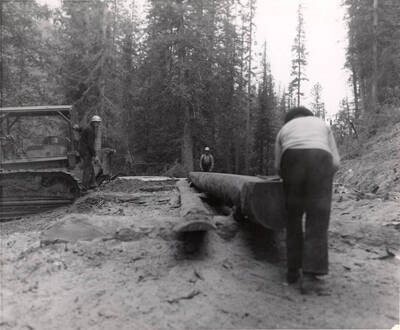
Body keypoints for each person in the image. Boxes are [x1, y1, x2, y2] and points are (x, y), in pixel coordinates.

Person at [274, 106, 340, 294]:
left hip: (292, 159)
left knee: (293, 218)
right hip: (320, 159)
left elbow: (277, 166)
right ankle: (311, 277)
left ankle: (293, 272)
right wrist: (322, 179)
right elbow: (336, 162)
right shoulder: (322, 124)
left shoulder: (283, 130)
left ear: (290, 120)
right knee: (317, 219)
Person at [79, 115, 101, 189]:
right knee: (87, 169)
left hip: (83, 150)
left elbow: (82, 129)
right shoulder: (91, 131)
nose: (97, 124)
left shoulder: (88, 128)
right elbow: (90, 145)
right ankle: (84, 187)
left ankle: (93, 183)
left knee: (90, 167)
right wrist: (95, 155)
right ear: (93, 122)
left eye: (98, 123)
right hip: (86, 151)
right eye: (96, 123)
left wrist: (78, 128)